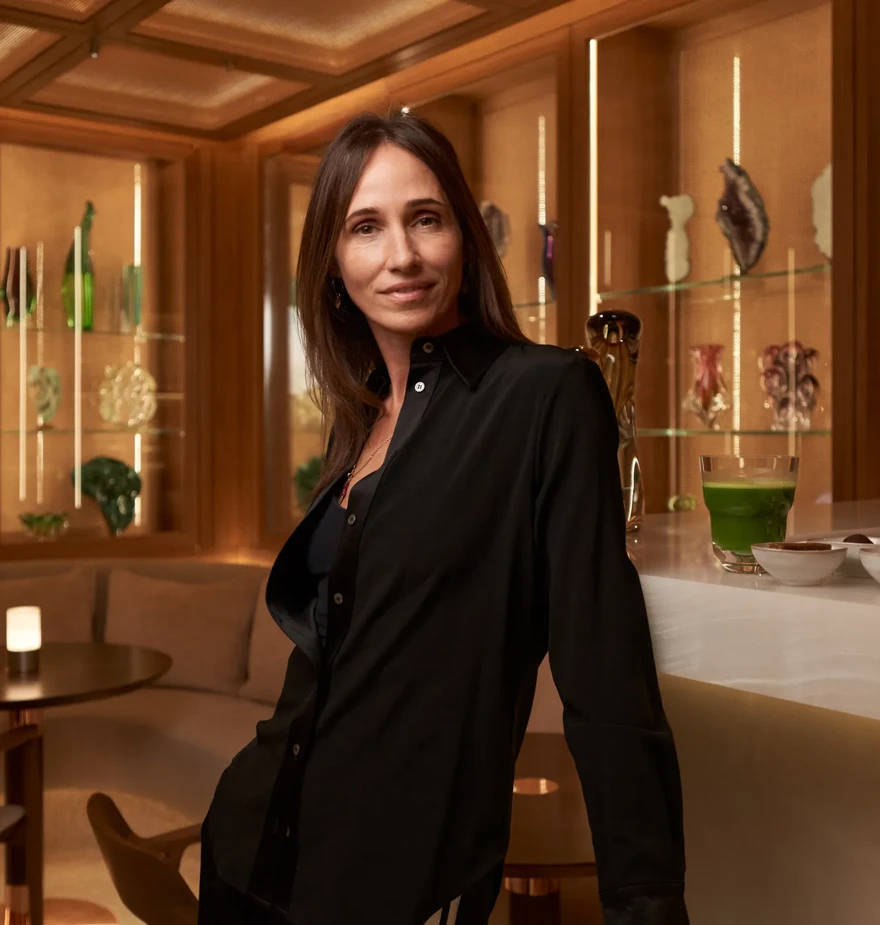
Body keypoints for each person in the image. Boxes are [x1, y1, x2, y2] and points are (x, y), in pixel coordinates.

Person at [199, 111, 688, 925]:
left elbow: (607, 675)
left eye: (425, 218)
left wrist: (645, 904)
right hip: (248, 849)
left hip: (397, 886)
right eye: (365, 227)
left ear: (463, 235)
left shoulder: (547, 396)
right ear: (333, 263)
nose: (402, 255)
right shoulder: (360, 416)